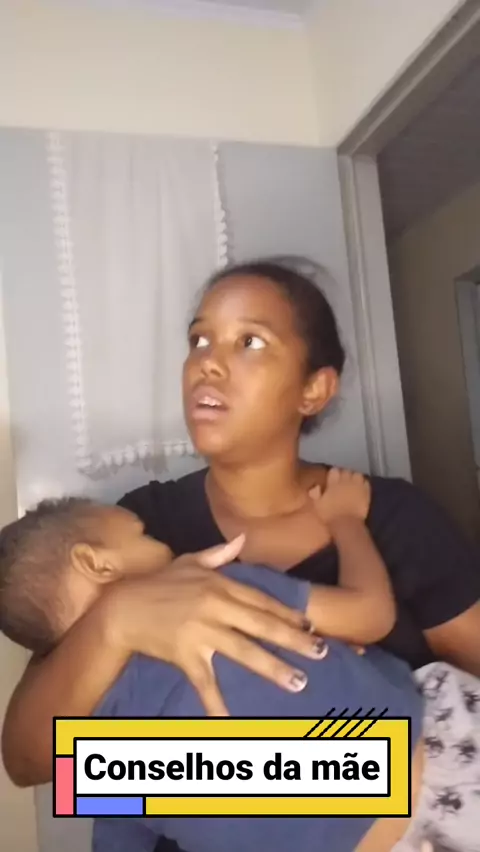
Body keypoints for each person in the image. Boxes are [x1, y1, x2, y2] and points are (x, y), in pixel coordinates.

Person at [2, 256, 480, 819]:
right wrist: (117, 619)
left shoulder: (395, 517)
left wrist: (219, 774)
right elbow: (31, 763)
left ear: (314, 389)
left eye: (250, 341)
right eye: (198, 340)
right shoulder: (138, 529)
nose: (207, 363)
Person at [0, 477, 427, 852]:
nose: (165, 544)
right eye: (143, 535)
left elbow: (119, 832)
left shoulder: (101, 758)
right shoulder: (210, 589)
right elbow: (372, 615)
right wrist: (346, 520)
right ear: (97, 563)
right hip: (426, 779)